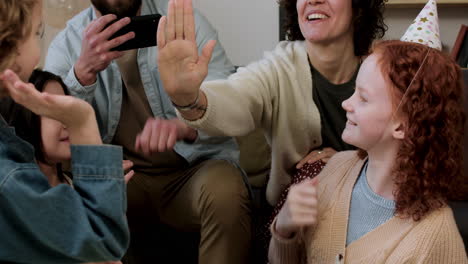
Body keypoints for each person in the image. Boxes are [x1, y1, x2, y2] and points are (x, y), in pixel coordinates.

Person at [44, 0, 251, 263]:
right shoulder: (68, 43)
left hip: (191, 172)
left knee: (226, 191)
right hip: (124, 179)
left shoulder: (184, 22)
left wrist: (185, 121)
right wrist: (81, 73)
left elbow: (230, 104)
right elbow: (49, 128)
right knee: (84, 195)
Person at [156, 0, 387, 207]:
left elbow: (409, 152)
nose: (314, 1)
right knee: (312, 174)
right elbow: (237, 97)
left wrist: (345, 163)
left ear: (357, 7)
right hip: (292, 219)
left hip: (372, 206)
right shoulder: (278, 67)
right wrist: (188, 98)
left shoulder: (387, 68)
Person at [269, 40, 468, 263]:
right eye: (354, 91)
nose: (346, 103)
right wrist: (285, 230)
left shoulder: (436, 237)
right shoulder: (333, 171)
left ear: (401, 126)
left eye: (363, 98)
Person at [0, 0, 130, 263]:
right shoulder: (10, 179)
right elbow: (102, 243)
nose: (38, 52)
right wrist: (81, 121)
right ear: (9, 45)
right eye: (38, 32)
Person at [1, 69, 135, 187]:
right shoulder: (20, 199)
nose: (67, 122)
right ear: (23, 120)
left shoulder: (74, 184)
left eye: (66, 111)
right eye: (53, 113)